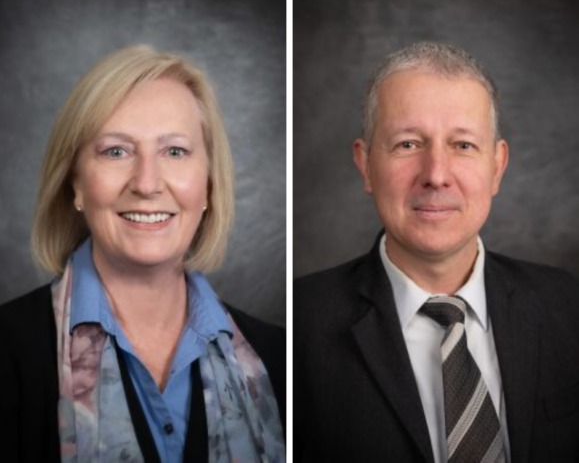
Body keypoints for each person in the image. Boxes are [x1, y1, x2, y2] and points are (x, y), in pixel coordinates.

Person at [294, 42, 579, 462]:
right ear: (366, 164)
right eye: (408, 144)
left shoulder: (567, 305)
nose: (436, 175)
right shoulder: (298, 328)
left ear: (497, 167)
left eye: (463, 145)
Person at [0, 45, 285, 462]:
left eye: (175, 151)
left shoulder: (280, 357)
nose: (147, 183)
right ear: (75, 184)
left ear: (208, 185)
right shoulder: (7, 351)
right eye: (116, 151)